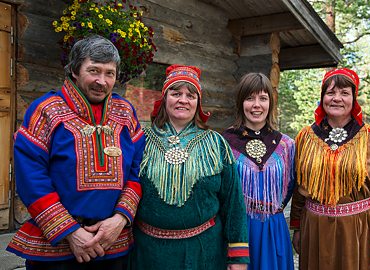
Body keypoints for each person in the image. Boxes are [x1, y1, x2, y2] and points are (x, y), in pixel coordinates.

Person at [6, 35, 145, 270]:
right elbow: (31, 178)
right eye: (94, 70)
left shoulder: (125, 113)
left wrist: (119, 220)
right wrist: (71, 232)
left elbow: (138, 171)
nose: (102, 81)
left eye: (109, 73)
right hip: (56, 248)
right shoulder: (45, 111)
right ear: (74, 71)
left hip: (114, 243)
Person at [129, 64, 249, 270]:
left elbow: (233, 202)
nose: (183, 100)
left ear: (198, 103)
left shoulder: (216, 144)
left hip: (204, 252)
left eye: (191, 95)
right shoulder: (141, 141)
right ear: (165, 98)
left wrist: (237, 256)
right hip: (149, 253)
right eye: (176, 93)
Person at [290, 68, 370, 270]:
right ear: (322, 96)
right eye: (330, 93)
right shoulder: (305, 138)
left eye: (344, 93)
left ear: (354, 98)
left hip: (359, 230)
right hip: (315, 230)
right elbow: (300, 187)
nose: (336, 99)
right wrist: (297, 227)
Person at [222, 73, 295, 270]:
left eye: (263, 98)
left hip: (274, 228)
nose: (256, 105)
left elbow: (291, 186)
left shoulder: (286, 145)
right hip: (239, 230)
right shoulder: (224, 142)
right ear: (240, 102)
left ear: (270, 103)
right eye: (250, 98)